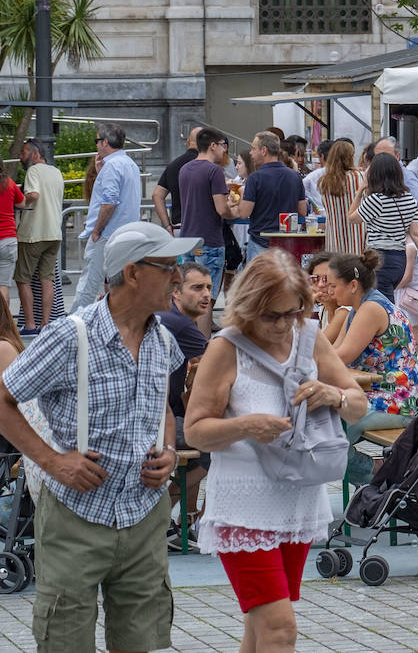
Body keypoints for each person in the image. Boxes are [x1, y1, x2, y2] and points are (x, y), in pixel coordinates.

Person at [0, 221, 201, 652]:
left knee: (140, 643)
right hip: (75, 518)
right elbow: (3, 399)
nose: (178, 278)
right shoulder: (69, 336)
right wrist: (52, 461)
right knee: (65, 643)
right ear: (132, 273)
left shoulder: (161, 337)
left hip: (143, 514)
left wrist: (167, 449)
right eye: (168, 267)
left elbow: (163, 405)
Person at [186, 249, 367, 652]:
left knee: (261, 628)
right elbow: (195, 432)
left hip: (296, 500)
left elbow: (358, 404)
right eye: (273, 316)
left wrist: (333, 394)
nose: (284, 325)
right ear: (248, 307)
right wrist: (246, 426)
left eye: (293, 312)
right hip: (242, 507)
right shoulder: (225, 348)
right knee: (280, 630)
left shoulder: (308, 336)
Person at [326, 251, 418, 484]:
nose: (329, 291)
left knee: (327, 434)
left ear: (352, 285)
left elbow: (341, 356)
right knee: (322, 427)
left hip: (397, 399)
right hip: (377, 393)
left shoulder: (370, 309)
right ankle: (374, 472)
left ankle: (376, 473)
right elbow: (333, 353)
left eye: (333, 285)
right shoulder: (359, 308)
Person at [159, 261, 212, 538]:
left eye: (209, 288)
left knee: (201, 445)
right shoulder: (179, 324)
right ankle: (159, 514)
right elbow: (221, 361)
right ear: (176, 293)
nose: (206, 294)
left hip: (164, 415)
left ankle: (186, 523)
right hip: (158, 423)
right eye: (197, 288)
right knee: (218, 444)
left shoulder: (169, 316)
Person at [73, 124, 145, 310]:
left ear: (105, 142)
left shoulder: (113, 166)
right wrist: (100, 173)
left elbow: (109, 203)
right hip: (127, 232)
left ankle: (74, 324)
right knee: (120, 283)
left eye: (97, 141)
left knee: (89, 282)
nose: (96, 145)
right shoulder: (130, 164)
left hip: (107, 233)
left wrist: (96, 230)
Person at [349, 152, 418, 302]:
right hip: (400, 261)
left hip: (379, 259)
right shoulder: (410, 199)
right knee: (385, 303)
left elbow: (352, 218)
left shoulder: (376, 200)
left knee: (383, 307)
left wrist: (360, 190)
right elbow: (415, 234)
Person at [178, 126, 237, 302]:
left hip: (187, 239)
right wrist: (233, 210)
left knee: (189, 297)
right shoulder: (214, 170)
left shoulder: (185, 169)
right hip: (209, 240)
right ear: (212, 145)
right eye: (222, 145)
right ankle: (203, 331)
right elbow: (221, 209)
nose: (224, 149)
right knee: (205, 299)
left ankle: (190, 329)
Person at [235, 131, 307, 264]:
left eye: (253, 149)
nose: (251, 153)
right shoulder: (294, 176)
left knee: (260, 284)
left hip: (260, 244)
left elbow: (244, 214)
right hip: (286, 244)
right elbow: (302, 211)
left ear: (264, 150)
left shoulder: (255, 178)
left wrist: (240, 193)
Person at [16, 138, 64, 333]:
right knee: (47, 279)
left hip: (33, 233)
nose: (21, 156)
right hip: (54, 233)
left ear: (35, 155)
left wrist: (19, 201)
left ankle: (29, 325)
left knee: (22, 279)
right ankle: (46, 324)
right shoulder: (56, 172)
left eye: (24, 152)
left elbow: (33, 195)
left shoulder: (33, 170)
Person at [317, 138, 367, 257]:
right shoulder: (360, 176)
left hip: (334, 238)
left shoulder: (324, 181)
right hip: (357, 237)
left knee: (337, 271)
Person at [152, 125, 202, 232]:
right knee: (198, 250)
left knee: (186, 250)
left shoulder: (173, 166)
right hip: (201, 228)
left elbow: (157, 195)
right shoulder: (208, 165)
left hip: (179, 226)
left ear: (188, 141)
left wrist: (167, 225)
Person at [0, 165, 23, 307]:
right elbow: (22, 203)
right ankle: (4, 326)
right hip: (8, 239)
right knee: (3, 286)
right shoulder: (9, 183)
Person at [302, 139, 333, 210]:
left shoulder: (314, 175)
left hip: (319, 216)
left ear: (321, 157)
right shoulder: (346, 174)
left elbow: (303, 190)